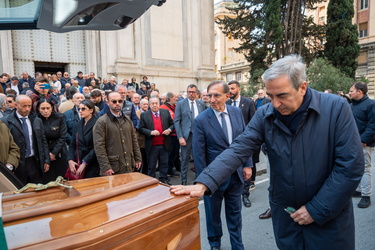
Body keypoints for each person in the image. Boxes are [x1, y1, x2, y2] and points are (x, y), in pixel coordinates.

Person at [171, 54, 364, 250]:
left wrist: (316, 209)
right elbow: (239, 148)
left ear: (302, 87)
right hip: (287, 216)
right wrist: (205, 181)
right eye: (270, 96)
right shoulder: (266, 113)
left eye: (282, 96)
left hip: (328, 217)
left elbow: (350, 165)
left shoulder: (336, 108)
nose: (276, 104)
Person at [194, 80, 252, 250]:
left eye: (216, 95)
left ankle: (237, 245)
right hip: (213, 177)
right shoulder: (201, 120)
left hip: (236, 174)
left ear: (227, 95)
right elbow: (199, 154)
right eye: (209, 95)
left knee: (235, 213)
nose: (212, 99)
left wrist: (247, 164)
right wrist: (203, 181)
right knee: (212, 215)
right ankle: (215, 244)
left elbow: (244, 140)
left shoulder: (236, 112)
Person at [1, 95, 50, 185]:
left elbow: (43, 141)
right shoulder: (6, 121)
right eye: (24, 106)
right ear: (16, 105)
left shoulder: (36, 120)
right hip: (17, 163)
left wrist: (46, 159)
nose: (27, 109)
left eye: (29, 106)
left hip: (34, 161)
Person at [93, 92, 142, 176]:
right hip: (112, 167)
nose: (117, 103)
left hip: (128, 164)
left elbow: (134, 140)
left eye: (120, 101)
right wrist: (105, 166)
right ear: (107, 103)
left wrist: (138, 158)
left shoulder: (127, 120)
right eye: (114, 101)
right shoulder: (101, 122)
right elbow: (99, 146)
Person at [226, 80, 257, 208]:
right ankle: (231, 193)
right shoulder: (226, 103)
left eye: (232, 89)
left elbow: (254, 121)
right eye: (229, 89)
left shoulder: (248, 102)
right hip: (230, 142)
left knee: (247, 168)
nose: (230, 91)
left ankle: (245, 194)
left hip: (246, 142)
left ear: (239, 89)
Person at [349, 81, 375, 208]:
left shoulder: (371, 104)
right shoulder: (351, 105)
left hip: (365, 143)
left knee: (365, 168)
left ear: (360, 91)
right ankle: (358, 190)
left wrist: (363, 140)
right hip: (352, 142)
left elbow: (372, 125)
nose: (349, 92)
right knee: (355, 167)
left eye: (351, 91)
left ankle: (366, 196)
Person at [174, 84, 207, 185]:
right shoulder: (181, 104)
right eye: (189, 92)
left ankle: (199, 180)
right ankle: (184, 181)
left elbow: (205, 121)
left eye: (193, 92)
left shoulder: (201, 104)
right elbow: (177, 121)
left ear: (196, 93)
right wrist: (180, 137)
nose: (191, 94)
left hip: (199, 136)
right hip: (186, 136)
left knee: (199, 158)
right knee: (185, 160)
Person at [139, 97, 174, 184]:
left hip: (164, 143)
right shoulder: (144, 115)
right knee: (152, 165)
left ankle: (163, 179)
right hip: (152, 144)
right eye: (152, 103)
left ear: (159, 104)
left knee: (164, 163)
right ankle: (152, 182)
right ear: (149, 105)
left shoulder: (165, 112)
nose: (154, 105)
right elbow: (141, 128)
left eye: (156, 103)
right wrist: (150, 132)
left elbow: (172, 124)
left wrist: (169, 130)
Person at [36, 98, 68, 182]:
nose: (46, 111)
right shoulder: (36, 120)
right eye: (43, 109)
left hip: (59, 150)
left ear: (52, 108)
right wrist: (47, 155)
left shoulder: (60, 117)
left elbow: (63, 137)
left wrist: (54, 153)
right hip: (44, 152)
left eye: (48, 108)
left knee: (61, 178)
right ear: (38, 109)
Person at [67, 100, 99, 178]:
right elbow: (72, 144)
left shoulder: (97, 123)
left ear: (91, 110)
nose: (80, 111)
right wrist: (70, 160)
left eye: (83, 109)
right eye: (79, 109)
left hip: (93, 162)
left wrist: (85, 162)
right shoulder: (78, 124)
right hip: (78, 159)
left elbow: (97, 147)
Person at [160, 92, 180, 178]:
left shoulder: (176, 106)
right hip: (168, 135)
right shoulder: (163, 108)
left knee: (174, 154)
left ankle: (170, 170)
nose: (177, 99)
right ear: (170, 98)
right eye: (175, 97)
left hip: (176, 135)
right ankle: (166, 171)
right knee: (168, 154)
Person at [135, 98, 149, 175]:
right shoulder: (136, 113)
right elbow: (138, 126)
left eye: (147, 104)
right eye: (144, 104)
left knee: (147, 161)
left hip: (148, 140)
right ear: (140, 105)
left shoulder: (150, 113)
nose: (146, 106)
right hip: (140, 140)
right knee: (139, 160)